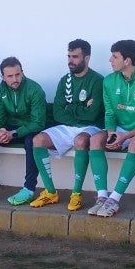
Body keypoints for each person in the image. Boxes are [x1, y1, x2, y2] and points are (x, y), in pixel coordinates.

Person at [89, 40, 135, 218]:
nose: (110, 60)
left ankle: (114, 199)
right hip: (119, 129)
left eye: (115, 56)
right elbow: (109, 113)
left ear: (127, 60)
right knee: (94, 139)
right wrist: (111, 133)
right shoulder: (108, 81)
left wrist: (125, 136)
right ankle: (101, 197)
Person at [28, 39, 104, 209]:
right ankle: (50, 192)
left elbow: (93, 115)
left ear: (87, 58)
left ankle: (76, 194)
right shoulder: (65, 81)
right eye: (69, 56)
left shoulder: (98, 80)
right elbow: (57, 112)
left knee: (80, 141)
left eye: (75, 56)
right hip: (69, 126)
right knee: (38, 140)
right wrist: (80, 109)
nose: (70, 60)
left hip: (91, 128)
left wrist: (70, 108)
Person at [0, 57, 48, 206]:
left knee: (31, 142)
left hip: (30, 129)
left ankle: (29, 189)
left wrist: (13, 133)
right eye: (10, 76)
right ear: (2, 77)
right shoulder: (1, 89)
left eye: (18, 74)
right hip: (10, 130)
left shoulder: (34, 89)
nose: (15, 79)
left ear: (22, 72)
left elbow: (38, 122)